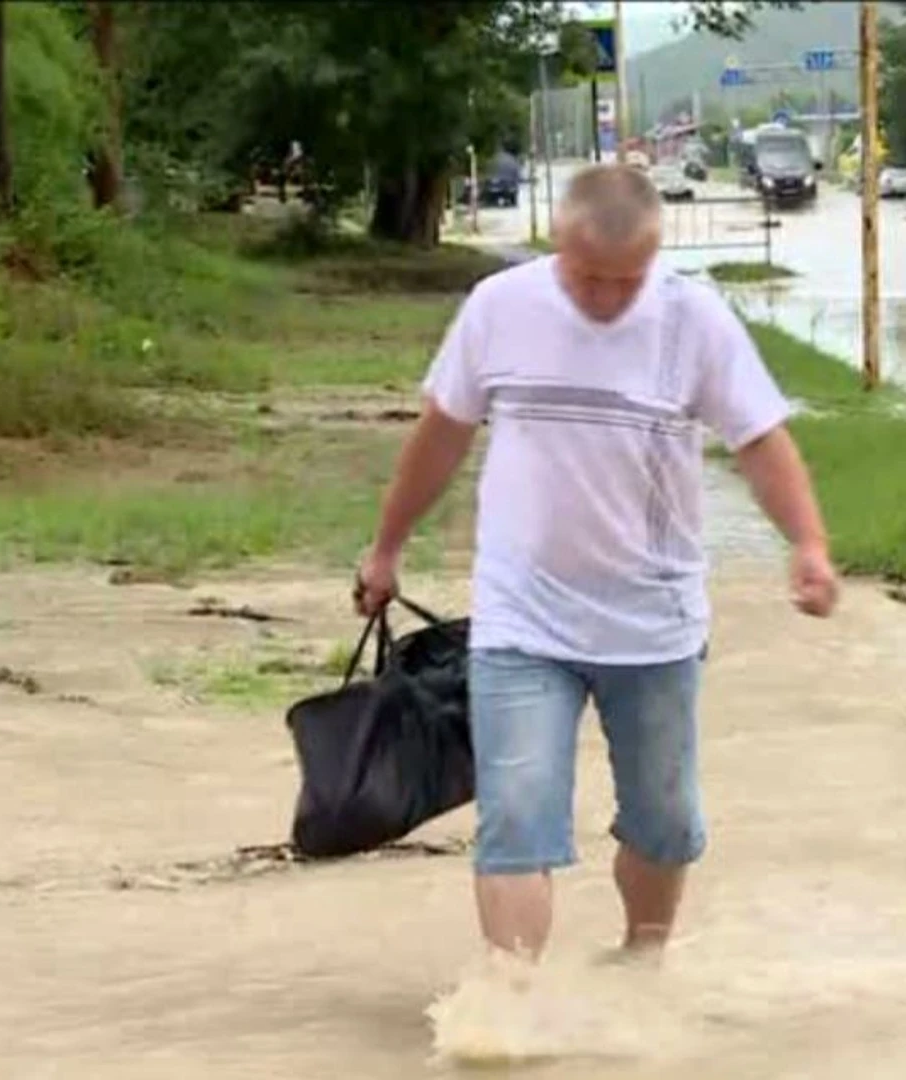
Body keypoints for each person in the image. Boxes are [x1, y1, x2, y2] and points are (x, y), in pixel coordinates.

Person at [355, 164, 838, 962]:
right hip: (523, 616)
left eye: (628, 281)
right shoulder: (500, 308)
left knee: (667, 822)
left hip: (654, 620)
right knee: (516, 818)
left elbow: (759, 440)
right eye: (589, 279)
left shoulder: (695, 320)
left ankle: (642, 966)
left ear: (656, 255)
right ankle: (511, 1009)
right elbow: (440, 436)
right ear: (556, 245)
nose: (609, 299)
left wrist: (808, 544)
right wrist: (387, 548)